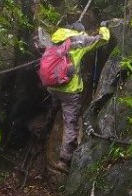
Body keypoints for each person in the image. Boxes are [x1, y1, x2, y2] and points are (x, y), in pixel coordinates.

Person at [45, 20, 110, 171]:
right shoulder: (79, 40)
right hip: (69, 90)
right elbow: (103, 39)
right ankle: (64, 160)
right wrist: (104, 27)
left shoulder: (55, 39)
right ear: (80, 31)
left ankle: (43, 133)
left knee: (55, 107)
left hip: (52, 86)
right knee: (71, 123)